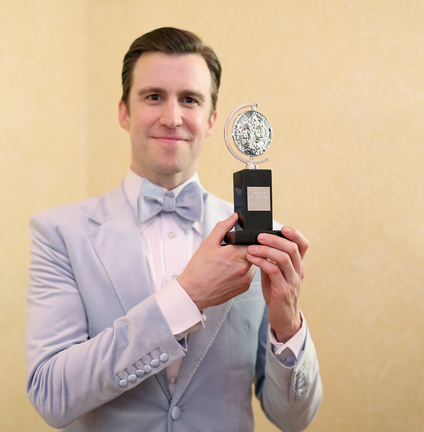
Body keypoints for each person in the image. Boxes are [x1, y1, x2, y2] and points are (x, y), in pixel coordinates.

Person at [25, 27, 322, 432]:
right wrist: (189, 296)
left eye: (190, 100)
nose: (172, 117)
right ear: (123, 112)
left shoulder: (262, 238)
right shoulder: (59, 233)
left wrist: (287, 326)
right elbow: (51, 396)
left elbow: (293, 419)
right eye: (153, 97)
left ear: (212, 119)